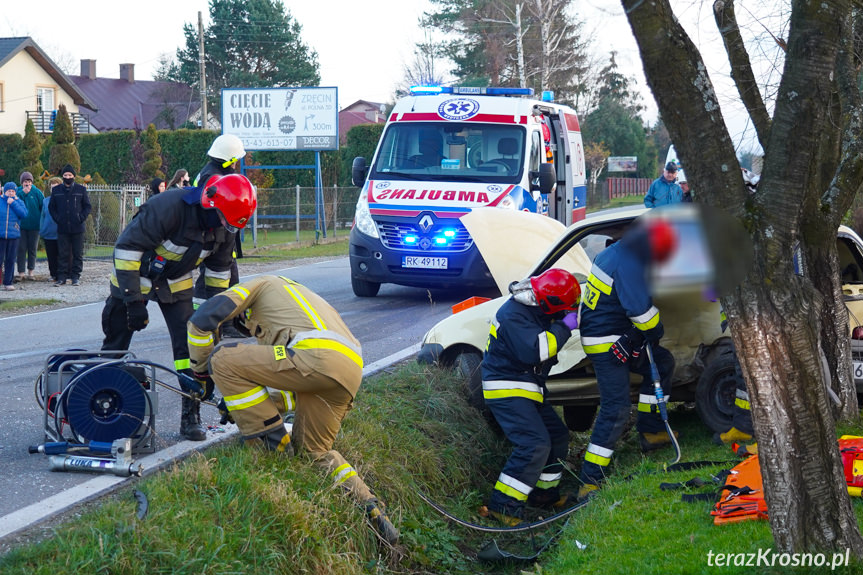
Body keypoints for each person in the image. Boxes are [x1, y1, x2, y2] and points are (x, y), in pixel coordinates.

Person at [186, 274, 399, 544]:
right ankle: (372, 508)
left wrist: (202, 375)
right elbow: (289, 388)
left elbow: (201, 320)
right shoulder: (297, 302)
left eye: (249, 326)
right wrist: (246, 404)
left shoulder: (259, 284)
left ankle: (272, 450)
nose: (250, 330)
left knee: (223, 358)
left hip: (313, 357)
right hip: (347, 371)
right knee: (315, 451)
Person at [100, 173, 256, 441]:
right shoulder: (168, 207)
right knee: (116, 342)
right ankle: (99, 400)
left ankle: (190, 415)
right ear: (210, 204)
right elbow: (126, 249)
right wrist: (133, 301)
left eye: (231, 226)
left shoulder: (226, 226)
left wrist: (212, 320)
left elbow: (219, 275)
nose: (225, 228)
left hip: (175, 282)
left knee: (190, 347)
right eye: (223, 221)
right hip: (134, 277)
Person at [576, 218, 678, 501]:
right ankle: (589, 481)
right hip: (607, 343)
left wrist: (634, 337)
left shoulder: (615, 251)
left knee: (662, 362)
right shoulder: (629, 262)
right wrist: (654, 331)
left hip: (614, 335)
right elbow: (640, 312)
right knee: (616, 409)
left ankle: (652, 431)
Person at [480, 268, 582, 526]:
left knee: (557, 437)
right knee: (533, 445)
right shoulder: (513, 314)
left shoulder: (539, 304)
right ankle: (503, 507)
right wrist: (564, 326)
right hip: (506, 388)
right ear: (550, 301)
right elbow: (538, 350)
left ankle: (543, 495)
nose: (568, 312)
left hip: (525, 386)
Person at [192, 134, 247, 307]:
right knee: (220, 279)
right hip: (215, 237)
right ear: (228, 160)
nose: (236, 163)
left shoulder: (212, 172)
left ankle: (213, 319)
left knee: (220, 279)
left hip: (218, 237)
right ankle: (214, 321)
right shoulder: (214, 178)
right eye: (235, 160)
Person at [48, 165, 91, 287]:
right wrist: (58, 219)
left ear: (74, 176)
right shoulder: (56, 191)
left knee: (77, 253)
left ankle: (75, 277)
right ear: (62, 176)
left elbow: (87, 207)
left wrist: (80, 218)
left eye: (70, 175)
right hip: (62, 227)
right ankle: (61, 277)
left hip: (77, 227)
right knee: (62, 253)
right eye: (65, 175)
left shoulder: (81, 190)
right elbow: (52, 208)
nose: (67, 177)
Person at [15, 171, 43, 281]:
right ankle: (21, 272)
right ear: (22, 182)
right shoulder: (17, 192)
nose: (27, 183)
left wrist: (40, 221)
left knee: (32, 249)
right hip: (21, 226)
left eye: (29, 181)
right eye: (25, 181)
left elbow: (42, 207)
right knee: (21, 249)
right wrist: (23, 193)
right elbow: (15, 203)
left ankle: (31, 272)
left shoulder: (37, 192)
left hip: (35, 227)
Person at [1, 182, 27, 291]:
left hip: (14, 235)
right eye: (8, 191)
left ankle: (8, 282)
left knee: (10, 259)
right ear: (4, 191)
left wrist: (13, 203)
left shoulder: (19, 202)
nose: (10, 193)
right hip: (1, 235)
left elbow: (24, 214)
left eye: (12, 191)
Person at [39, 177, 61, 282]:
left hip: (61, 233)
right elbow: (42, 216)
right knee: (51, 256)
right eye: (52, 187)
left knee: (61, 255)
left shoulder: (63, 200)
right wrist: (42, 229)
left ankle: (62, 275)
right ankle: (53, 275)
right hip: (48, 232)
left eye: (56, 187)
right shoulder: (45, 201)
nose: (54, 189)